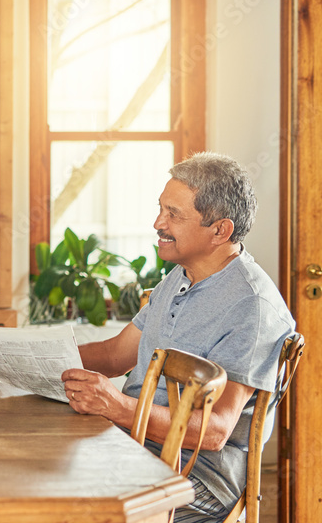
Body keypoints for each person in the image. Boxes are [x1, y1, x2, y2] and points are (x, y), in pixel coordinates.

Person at [61, 152, 295, 523]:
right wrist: (31, 356)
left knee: (59, 505)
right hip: (134, 444)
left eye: (174, 214)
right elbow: (115, 354)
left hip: (197, 478)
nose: (158, 223)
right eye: (160, 209)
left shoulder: (252, 306)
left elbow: (216, 431)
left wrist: (116, 406)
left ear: (220, 230)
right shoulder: (181, 274)